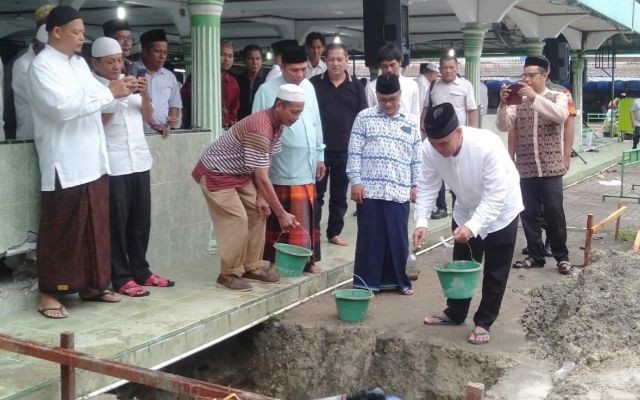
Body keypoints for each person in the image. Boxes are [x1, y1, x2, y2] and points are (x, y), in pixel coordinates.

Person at [28, 5, 134, 318]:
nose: (81, 38)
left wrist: (121, 91)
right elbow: (62, 108)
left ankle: (92, 285)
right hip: (65, 162)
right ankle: (50, 292)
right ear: (56, 32)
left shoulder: (77, 64)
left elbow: (97, 96)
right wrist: (108, 93)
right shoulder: (42, 66)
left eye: (83, 32)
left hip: (93, 160)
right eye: (76, 33)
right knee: (62, 230)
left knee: (95, 229)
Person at [416, 103, 523, 345]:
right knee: (461, 265)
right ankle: (455, 312)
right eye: (435, 144)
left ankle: (484, 321)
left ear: (459, 132)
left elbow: (495, 196)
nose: (440, 149)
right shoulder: (429, 149)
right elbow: (427, 185)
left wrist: (473, 227)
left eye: (444, 143)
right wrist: (421, 221)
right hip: (465, 207)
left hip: (501, 210)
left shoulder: (487, 145)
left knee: (495, 270)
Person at [192, 84, 304, 291]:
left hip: (240, 174)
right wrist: (281, 213)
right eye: (294, 112)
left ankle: (251, 267)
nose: (296, 117)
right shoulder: (260, 128)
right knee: (237, 219)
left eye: (300, 113)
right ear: (279, 105)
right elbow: (261, 176)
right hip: (215, 172)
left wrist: (262, 197)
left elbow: (266, 160)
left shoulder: (277, 125)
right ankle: (229, 273)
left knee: (258, 211)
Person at [91, 37, 175, 297]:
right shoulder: (94, 88)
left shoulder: (129, 81)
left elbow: (149, 118)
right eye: (110, 62)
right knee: (118, 223)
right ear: (95, 63)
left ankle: (142, 270)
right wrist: (117, 95)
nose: (116, 66)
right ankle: (121, 277)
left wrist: (144, 93)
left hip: (139, 160)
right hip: (113, 164)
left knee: (140, 220)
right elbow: (95, 126)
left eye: (119, 61)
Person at [253, 45, 326, 274]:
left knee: (306, 216)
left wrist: (320, 155)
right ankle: (275, 262)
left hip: (307, 163)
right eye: (295, 70)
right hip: (279, 164)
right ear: (282, 66)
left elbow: (315, 122)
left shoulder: (310, 88)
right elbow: (258, 132)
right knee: (280, 217)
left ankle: (309, 261)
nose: (300, 74)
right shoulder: (266, 90)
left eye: (304, 69)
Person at [496, 55, 572, 274]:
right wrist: (502, 104)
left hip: (550, 167)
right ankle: (535, 255)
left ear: (545, 75)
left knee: (554, 212)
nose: (526, 80)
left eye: (531, 75)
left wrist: (533, 98)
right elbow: (503, 125)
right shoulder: (518, 101)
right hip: (526, 167)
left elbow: (560, 116)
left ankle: (562, 256)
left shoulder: (558, 96)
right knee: (528, 213)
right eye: (524, 76)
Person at [347, 74, 421, 295]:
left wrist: (415, 185)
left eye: (392, 99)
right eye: (382, 99)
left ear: (400, 95)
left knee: (397, 237)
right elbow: (354, 151)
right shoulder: (364, 118)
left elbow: (417, 157)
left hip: (398, 189)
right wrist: (355, 181)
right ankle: (367, 282)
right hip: (369, 190)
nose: (388, 104)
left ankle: (401, 282)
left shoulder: (410, 122)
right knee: (371, 237)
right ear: (376, 97)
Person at [310, 43, 367, 246]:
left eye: (339, 59)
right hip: (319, 151)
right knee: (316, 195)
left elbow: (363, 118)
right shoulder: (314, 84)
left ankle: (334, 232)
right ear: (326, 61)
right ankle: (313, 232)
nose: (335, 63)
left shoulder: (356, 86)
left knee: (339, 196)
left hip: (346, 150)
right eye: (331, 59)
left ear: (346, 60)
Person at [425, 55, 478, 221]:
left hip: (458, 139)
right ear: (439, 69)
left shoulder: (465, 85)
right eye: (444, 67)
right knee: (438, 170)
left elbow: (471, 110)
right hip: (438, 138)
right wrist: (423, 130)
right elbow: (427, 108)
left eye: (451, 67)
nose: (447, 71)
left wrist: (473, 133)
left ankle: (461, 206)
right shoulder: (433, 86)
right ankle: (442, 207)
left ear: (457, 68)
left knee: (460, 173)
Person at [132, 29, 182, 136]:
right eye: (158, 51)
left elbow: (174, 104)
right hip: (136, 133)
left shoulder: (170, 77)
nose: (162, 56)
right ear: (145, 52)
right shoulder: (132, 71)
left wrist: (173, 118)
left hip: (162, 134)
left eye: (165, 52)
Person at [12, 25, 47, 140]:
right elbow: (41, 98)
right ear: (35, 44)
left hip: (46, 134)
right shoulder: (23, 65)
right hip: (30, 133)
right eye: (45, 48)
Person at [364, 44, 420, 116]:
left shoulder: (412, 85)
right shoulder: (370, 87)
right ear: (379, 66)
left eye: (392, 65)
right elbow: (368, 114)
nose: (389, 70)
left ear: (399, 62)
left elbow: (415, 113)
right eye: (385, 66)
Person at [237, 44, 266, 120]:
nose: (255, 62)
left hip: (261, 121)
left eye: (258, 58)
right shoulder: (238, 80)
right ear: (244, 61)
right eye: (251, 59)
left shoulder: (267, 80)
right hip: (241, 122)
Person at [221, 41, 240, 129]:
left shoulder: (233, 82)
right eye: (223, 55)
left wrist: (230, 121)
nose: (227, 59)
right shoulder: (201, 77)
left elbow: (235, 106)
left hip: (226, 129)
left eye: (230, 56)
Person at [416, 62, 439, 131]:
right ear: (432, 74)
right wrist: (420, 123)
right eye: (436, 75)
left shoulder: (421, 81)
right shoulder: (423, 84)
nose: (436, 78)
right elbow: (420, 104)